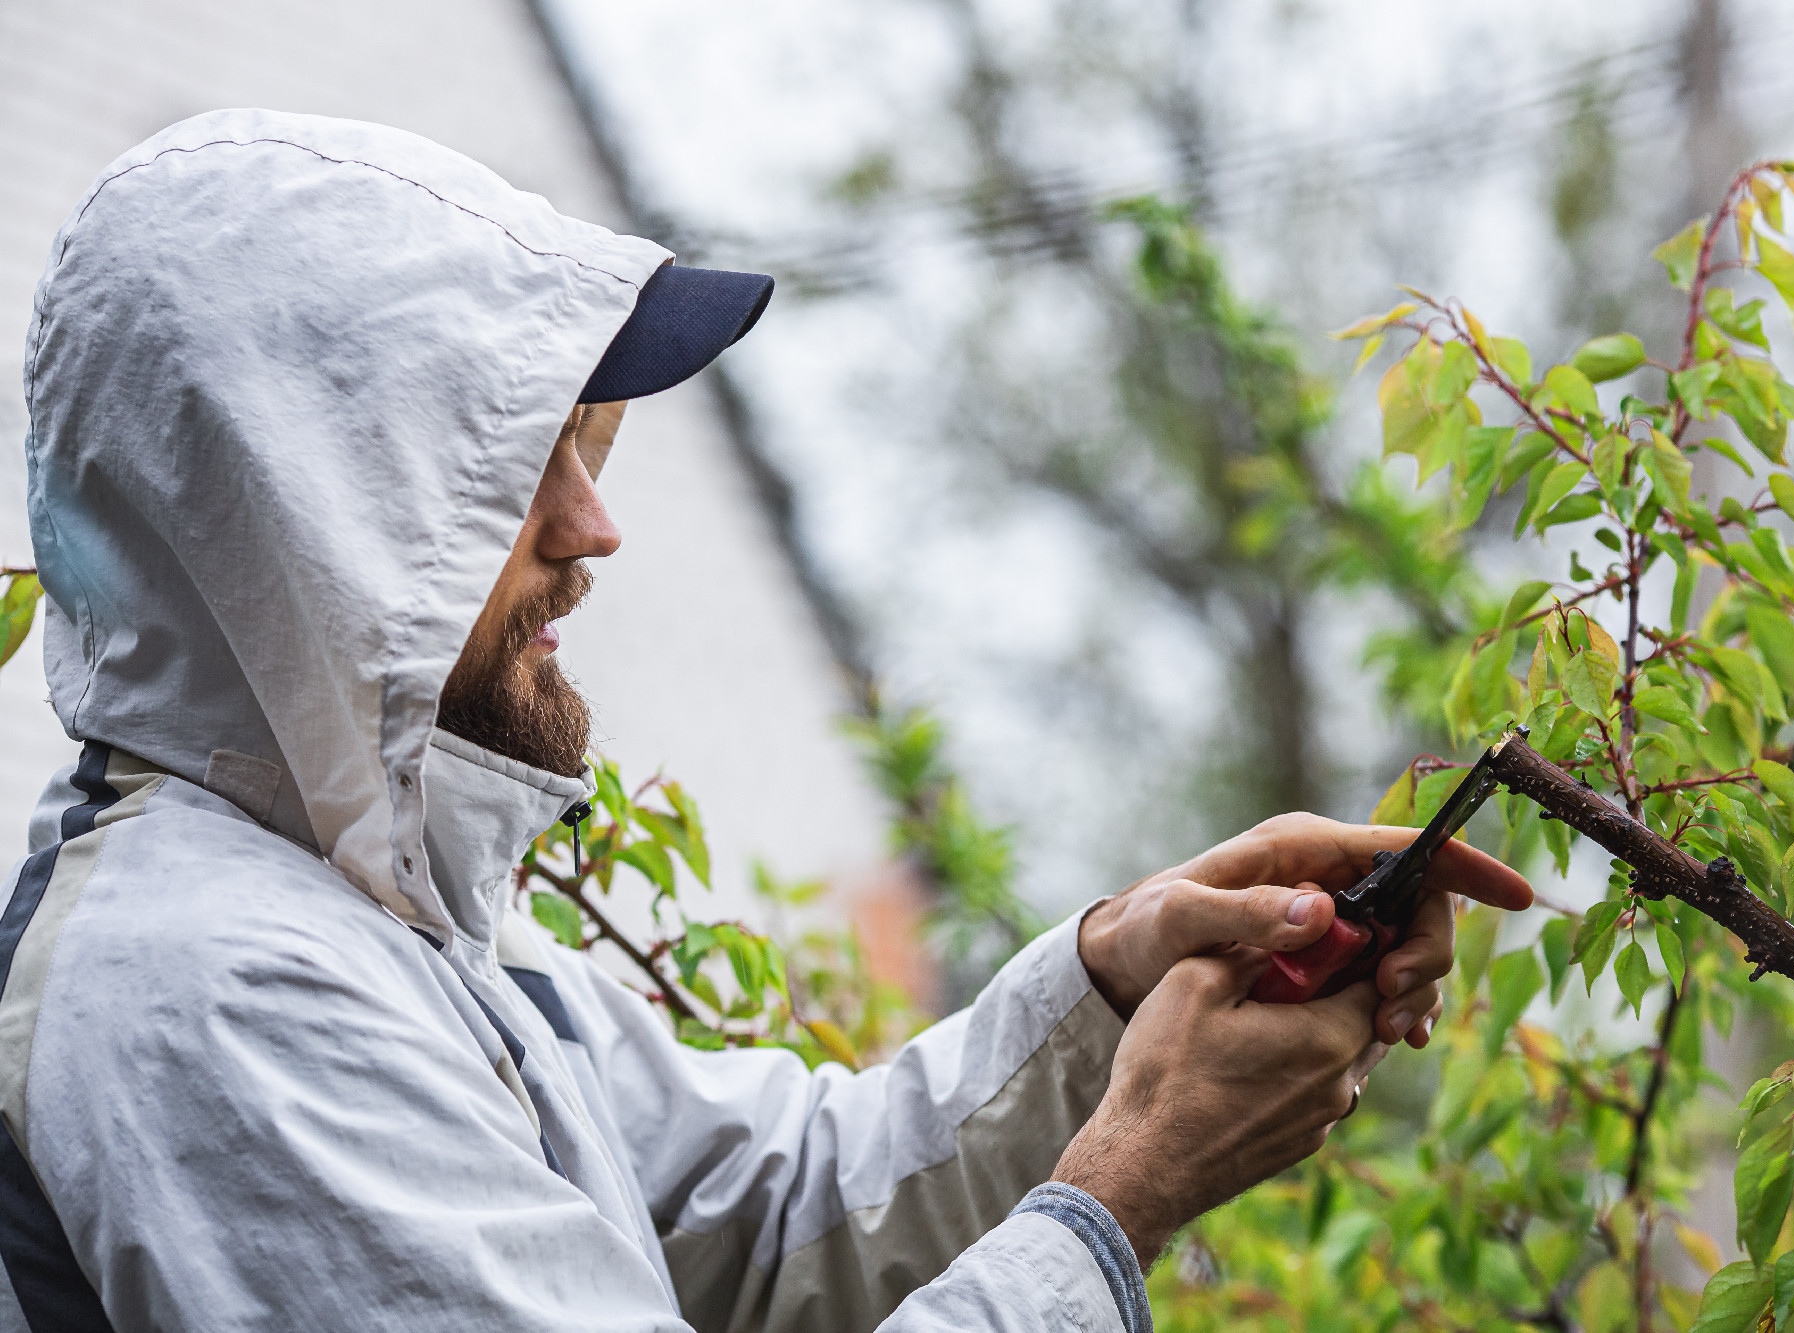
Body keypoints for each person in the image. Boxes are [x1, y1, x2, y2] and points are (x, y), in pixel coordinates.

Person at [0, 110, 1532, 1333]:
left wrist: (1112, 982)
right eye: (510, 461)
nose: (593, 528)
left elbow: (782, 1216)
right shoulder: (217, 999)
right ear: (300, 512)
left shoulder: (377, 912)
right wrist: (1120, 1201)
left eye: (587, 447)